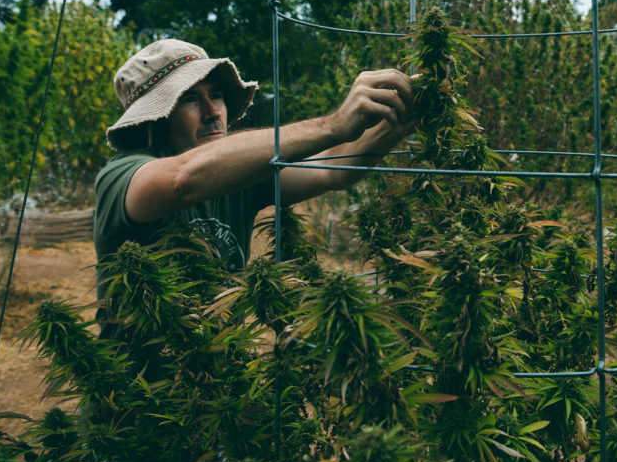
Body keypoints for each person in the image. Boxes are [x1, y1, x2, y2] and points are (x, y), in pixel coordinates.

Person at [93, 38, 415, 312]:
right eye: (189, 99)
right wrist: (332, 125)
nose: (213, 111)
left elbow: (332, 168)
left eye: (216, 94)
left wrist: (401, 120)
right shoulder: (121, 175)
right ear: (155, 120)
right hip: (138, 383)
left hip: (223, 376)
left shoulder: (238, 176)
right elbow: (183, 179)